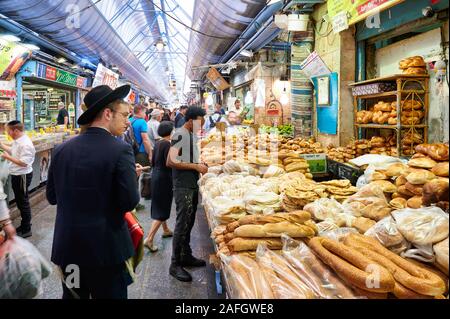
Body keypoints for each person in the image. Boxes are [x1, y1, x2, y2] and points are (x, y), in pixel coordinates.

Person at [46, 84, 140, 299]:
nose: (128, 121)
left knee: (73, 296)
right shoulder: (120, 150)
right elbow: (128, 202)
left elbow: (52, 197)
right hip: (107, 253)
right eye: (124, 115)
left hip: (68, 250)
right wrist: (130, 178)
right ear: (108, 114)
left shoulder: (61, 149)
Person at [167, 106, 208, 282]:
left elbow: (187, 158)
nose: (202, 126)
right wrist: (195, 166)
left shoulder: (190, 135)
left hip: (191, 184)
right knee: (182, 223)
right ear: (190, 121)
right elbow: (170, 161)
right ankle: (175, 264)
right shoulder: (180, 134)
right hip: (183, 186)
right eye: (200, 123)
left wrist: (199, 162)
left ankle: (186, 254)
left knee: (189, 223)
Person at [0, 121, 36, 238]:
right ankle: (24, 225)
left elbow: (24, 163)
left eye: (8, 130)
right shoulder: (18, 141)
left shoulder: (25, 144)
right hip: (17, 175)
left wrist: (7, 157)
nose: (7, 132)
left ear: (15, 131)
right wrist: (1, 145)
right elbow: (14, 152)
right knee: (20, 201)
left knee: (23, 202)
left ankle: (26, 229)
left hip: (22, 176)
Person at [143, 121, 175, 252]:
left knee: (160, 205)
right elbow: (171, 163)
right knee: (162, 208)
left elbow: (154, 161)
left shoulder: (158, 143)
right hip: (164, 179)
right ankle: (149, 239)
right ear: (171, 131)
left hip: (156, 176)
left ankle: (166, 229)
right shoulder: (168, 144)